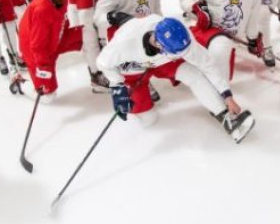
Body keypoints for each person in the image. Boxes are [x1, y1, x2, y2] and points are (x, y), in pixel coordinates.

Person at [96, 15, 255, 142]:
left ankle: (225, 117)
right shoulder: (124, 44)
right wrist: (117, 86)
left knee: (194, 74)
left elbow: (207, 64)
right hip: (132, 66)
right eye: (178, 53)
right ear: (159, 44)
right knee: (148, 119)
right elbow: (102, 63)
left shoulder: (180, 37)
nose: (184, 54)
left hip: (161, 61)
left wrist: (227, 96)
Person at [18, 0, 83, 102]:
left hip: (54, 40)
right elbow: (37, 45)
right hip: (36, 53)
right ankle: (21, 83)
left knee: (88, 33)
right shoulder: (41, 10)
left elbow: (63, 21)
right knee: (49, 97)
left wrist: (73, 35)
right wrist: (43, 67)